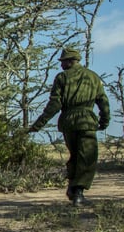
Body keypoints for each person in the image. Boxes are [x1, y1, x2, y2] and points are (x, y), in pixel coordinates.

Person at [26, 47, 111, 206]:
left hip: (68, 122)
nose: (61, 65)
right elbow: (103, 101)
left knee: (75, 155)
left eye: (63, 62)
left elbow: (55, 104)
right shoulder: (93, 77)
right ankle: (78, 192)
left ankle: (73, 189)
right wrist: (104, 121)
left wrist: (39, 124)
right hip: (87, 121)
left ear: (70, 61)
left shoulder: (62, 78)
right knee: (87, 157)